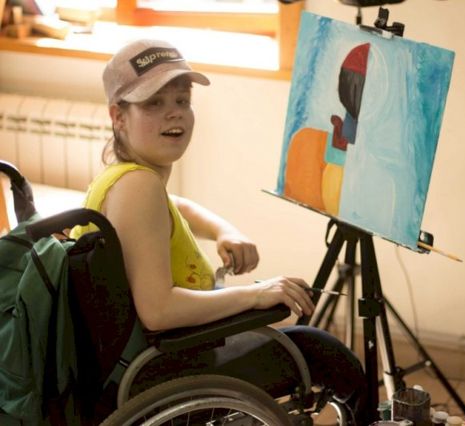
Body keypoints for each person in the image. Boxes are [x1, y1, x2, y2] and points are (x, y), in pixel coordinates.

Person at [73, 39, 367, 423]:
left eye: (182, 100)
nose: (174, 113)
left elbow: (176, 207)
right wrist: (256, 294)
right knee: (323, 354)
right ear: (118, 116)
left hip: (148, 359)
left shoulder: (121, 179)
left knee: (309, 344)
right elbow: (158, 310)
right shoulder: (139, 188)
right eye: (153, 103)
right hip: (161, 371)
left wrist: (223, 230)